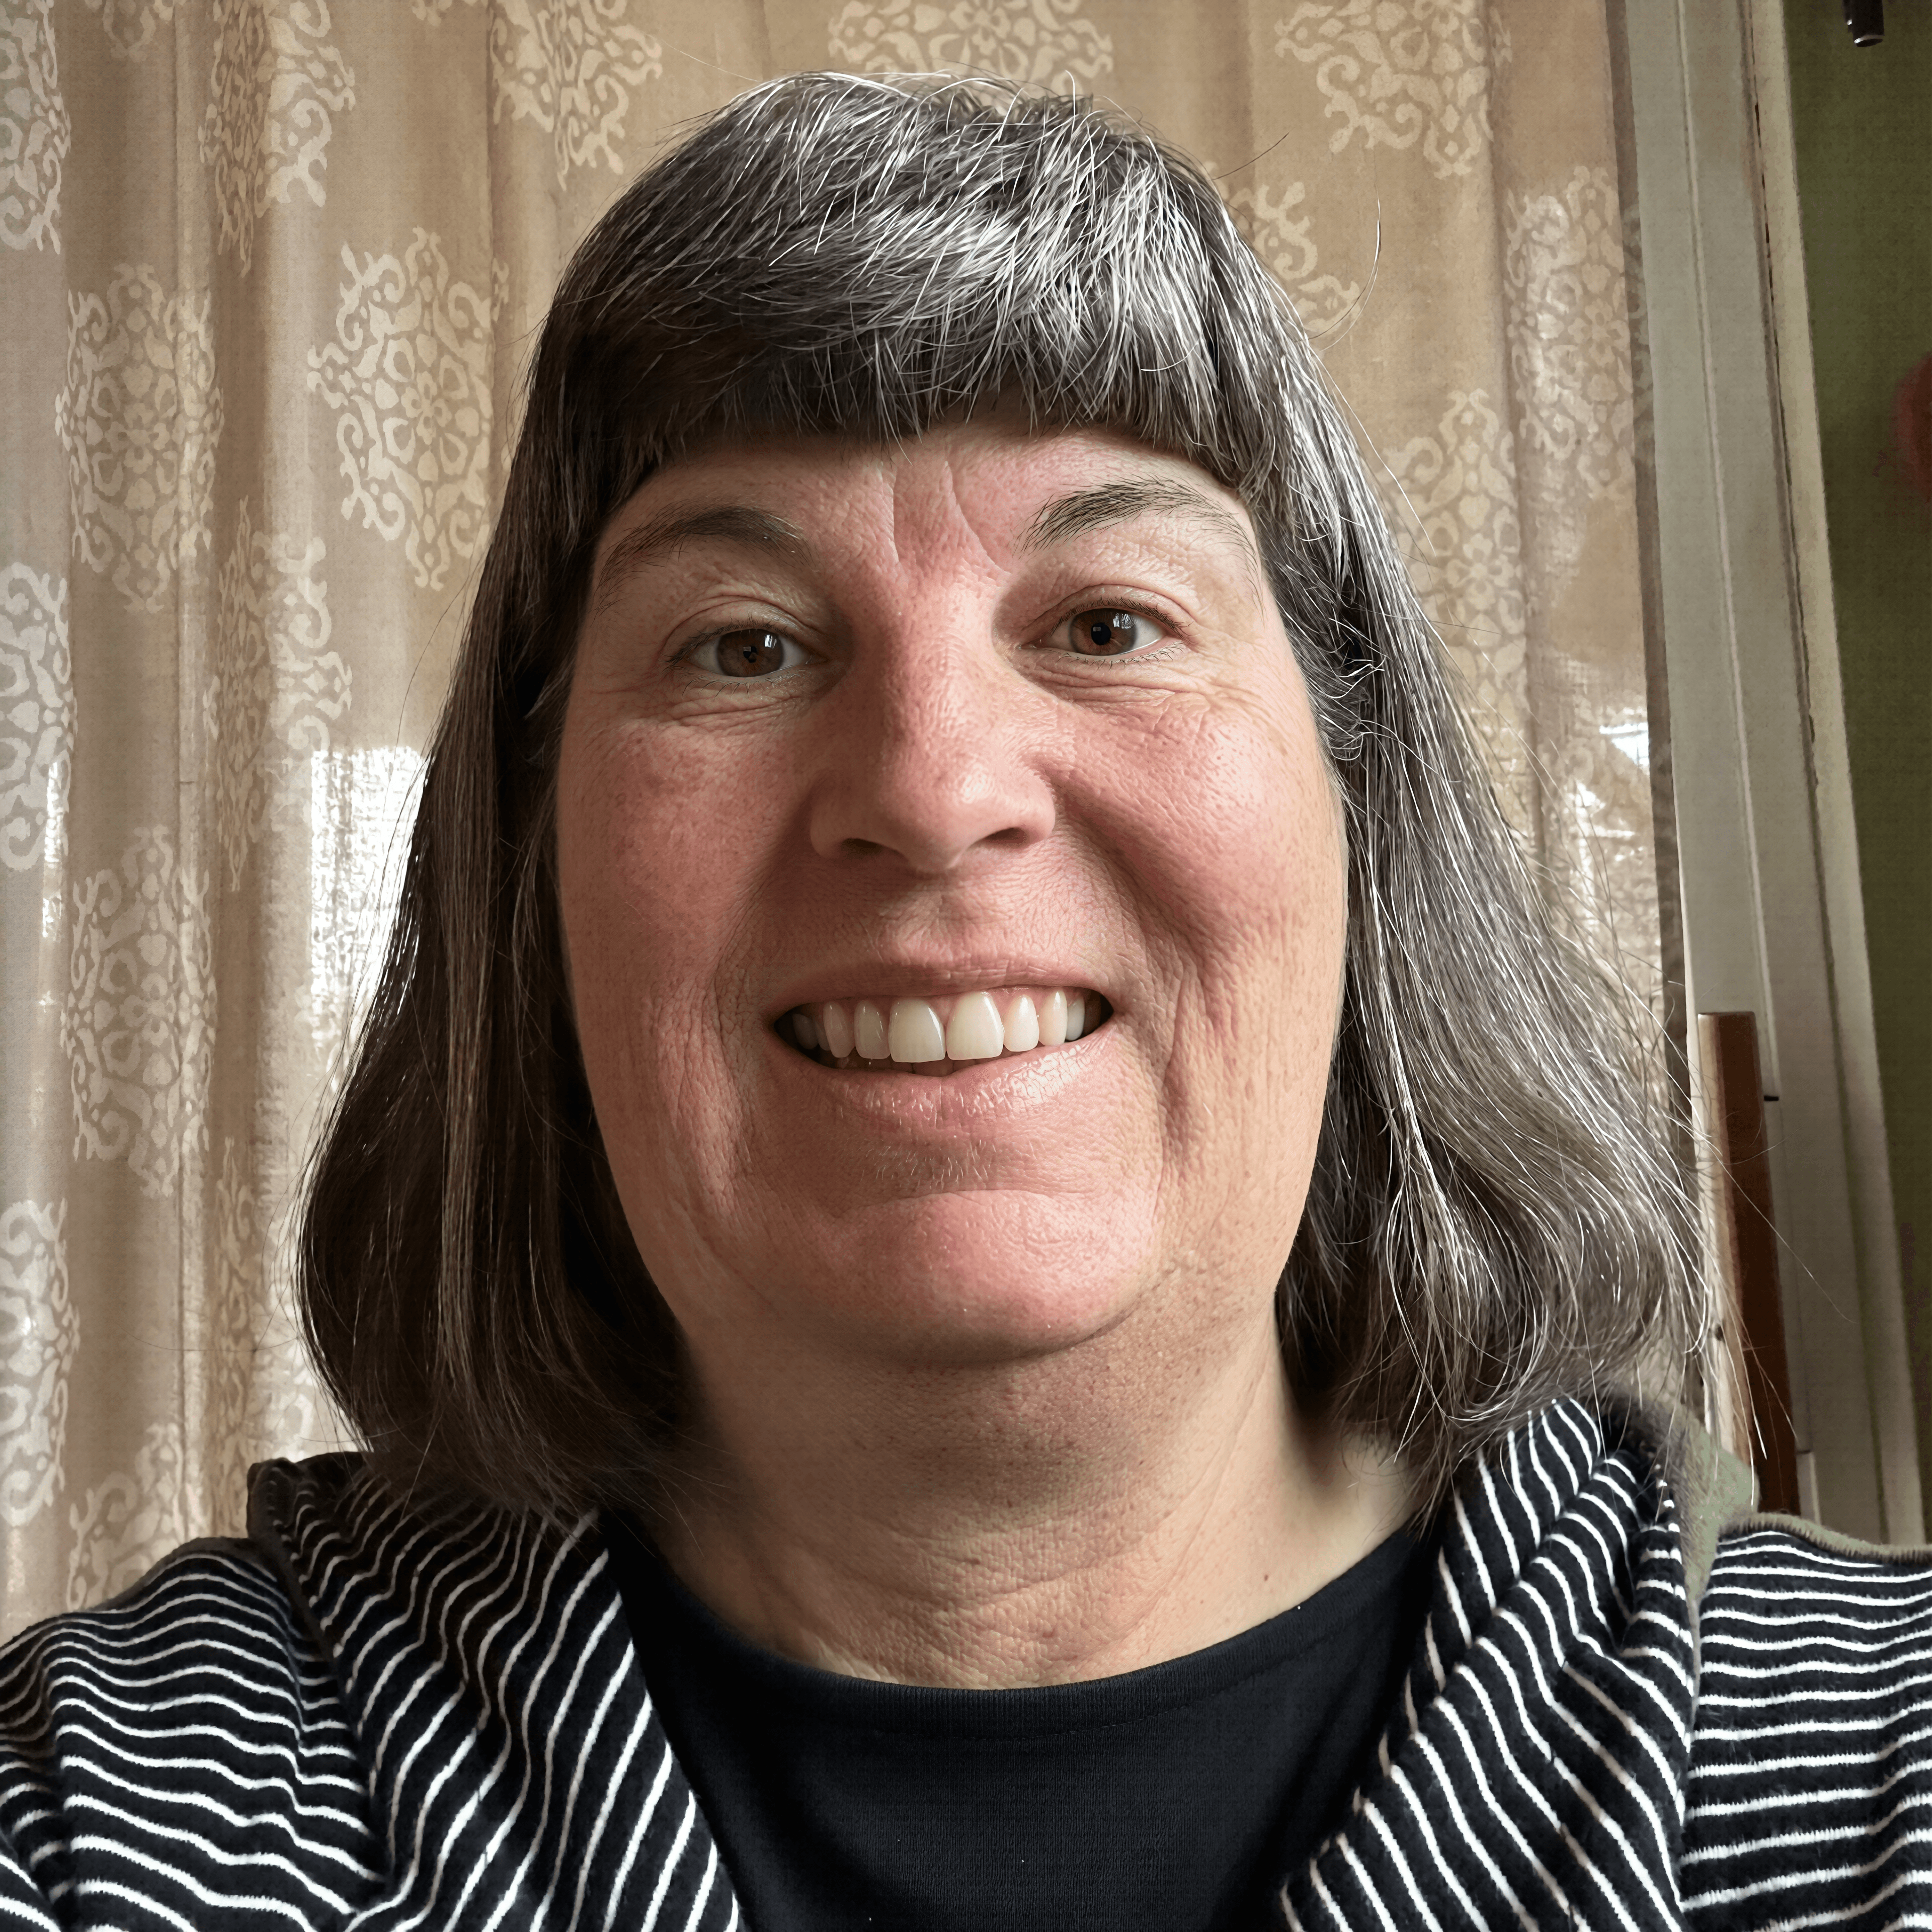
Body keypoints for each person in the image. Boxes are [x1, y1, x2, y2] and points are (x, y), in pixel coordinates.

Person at [2, 71, 1927, 1932]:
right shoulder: (102, 1820)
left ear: (1363, 810)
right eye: (741, 646)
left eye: (1107, 622)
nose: (929, 790)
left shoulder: (1880, 1779)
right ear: (529, 863)